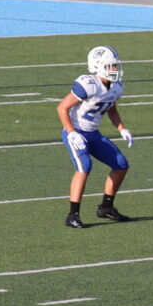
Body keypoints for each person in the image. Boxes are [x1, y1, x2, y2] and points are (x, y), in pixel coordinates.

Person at [57, 46, 133, 229]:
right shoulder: (88, 84)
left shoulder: (116, 87)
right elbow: (62, 108)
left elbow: (111, 108)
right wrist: (71, 132)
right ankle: (72, 215)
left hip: (93, 133)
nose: (115, 69)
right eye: (111, 65)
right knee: (84, 167)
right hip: (76, 132)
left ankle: (106, 207)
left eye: (115, 65)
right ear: (98, 66)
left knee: (121, 165)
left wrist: (122, 128)